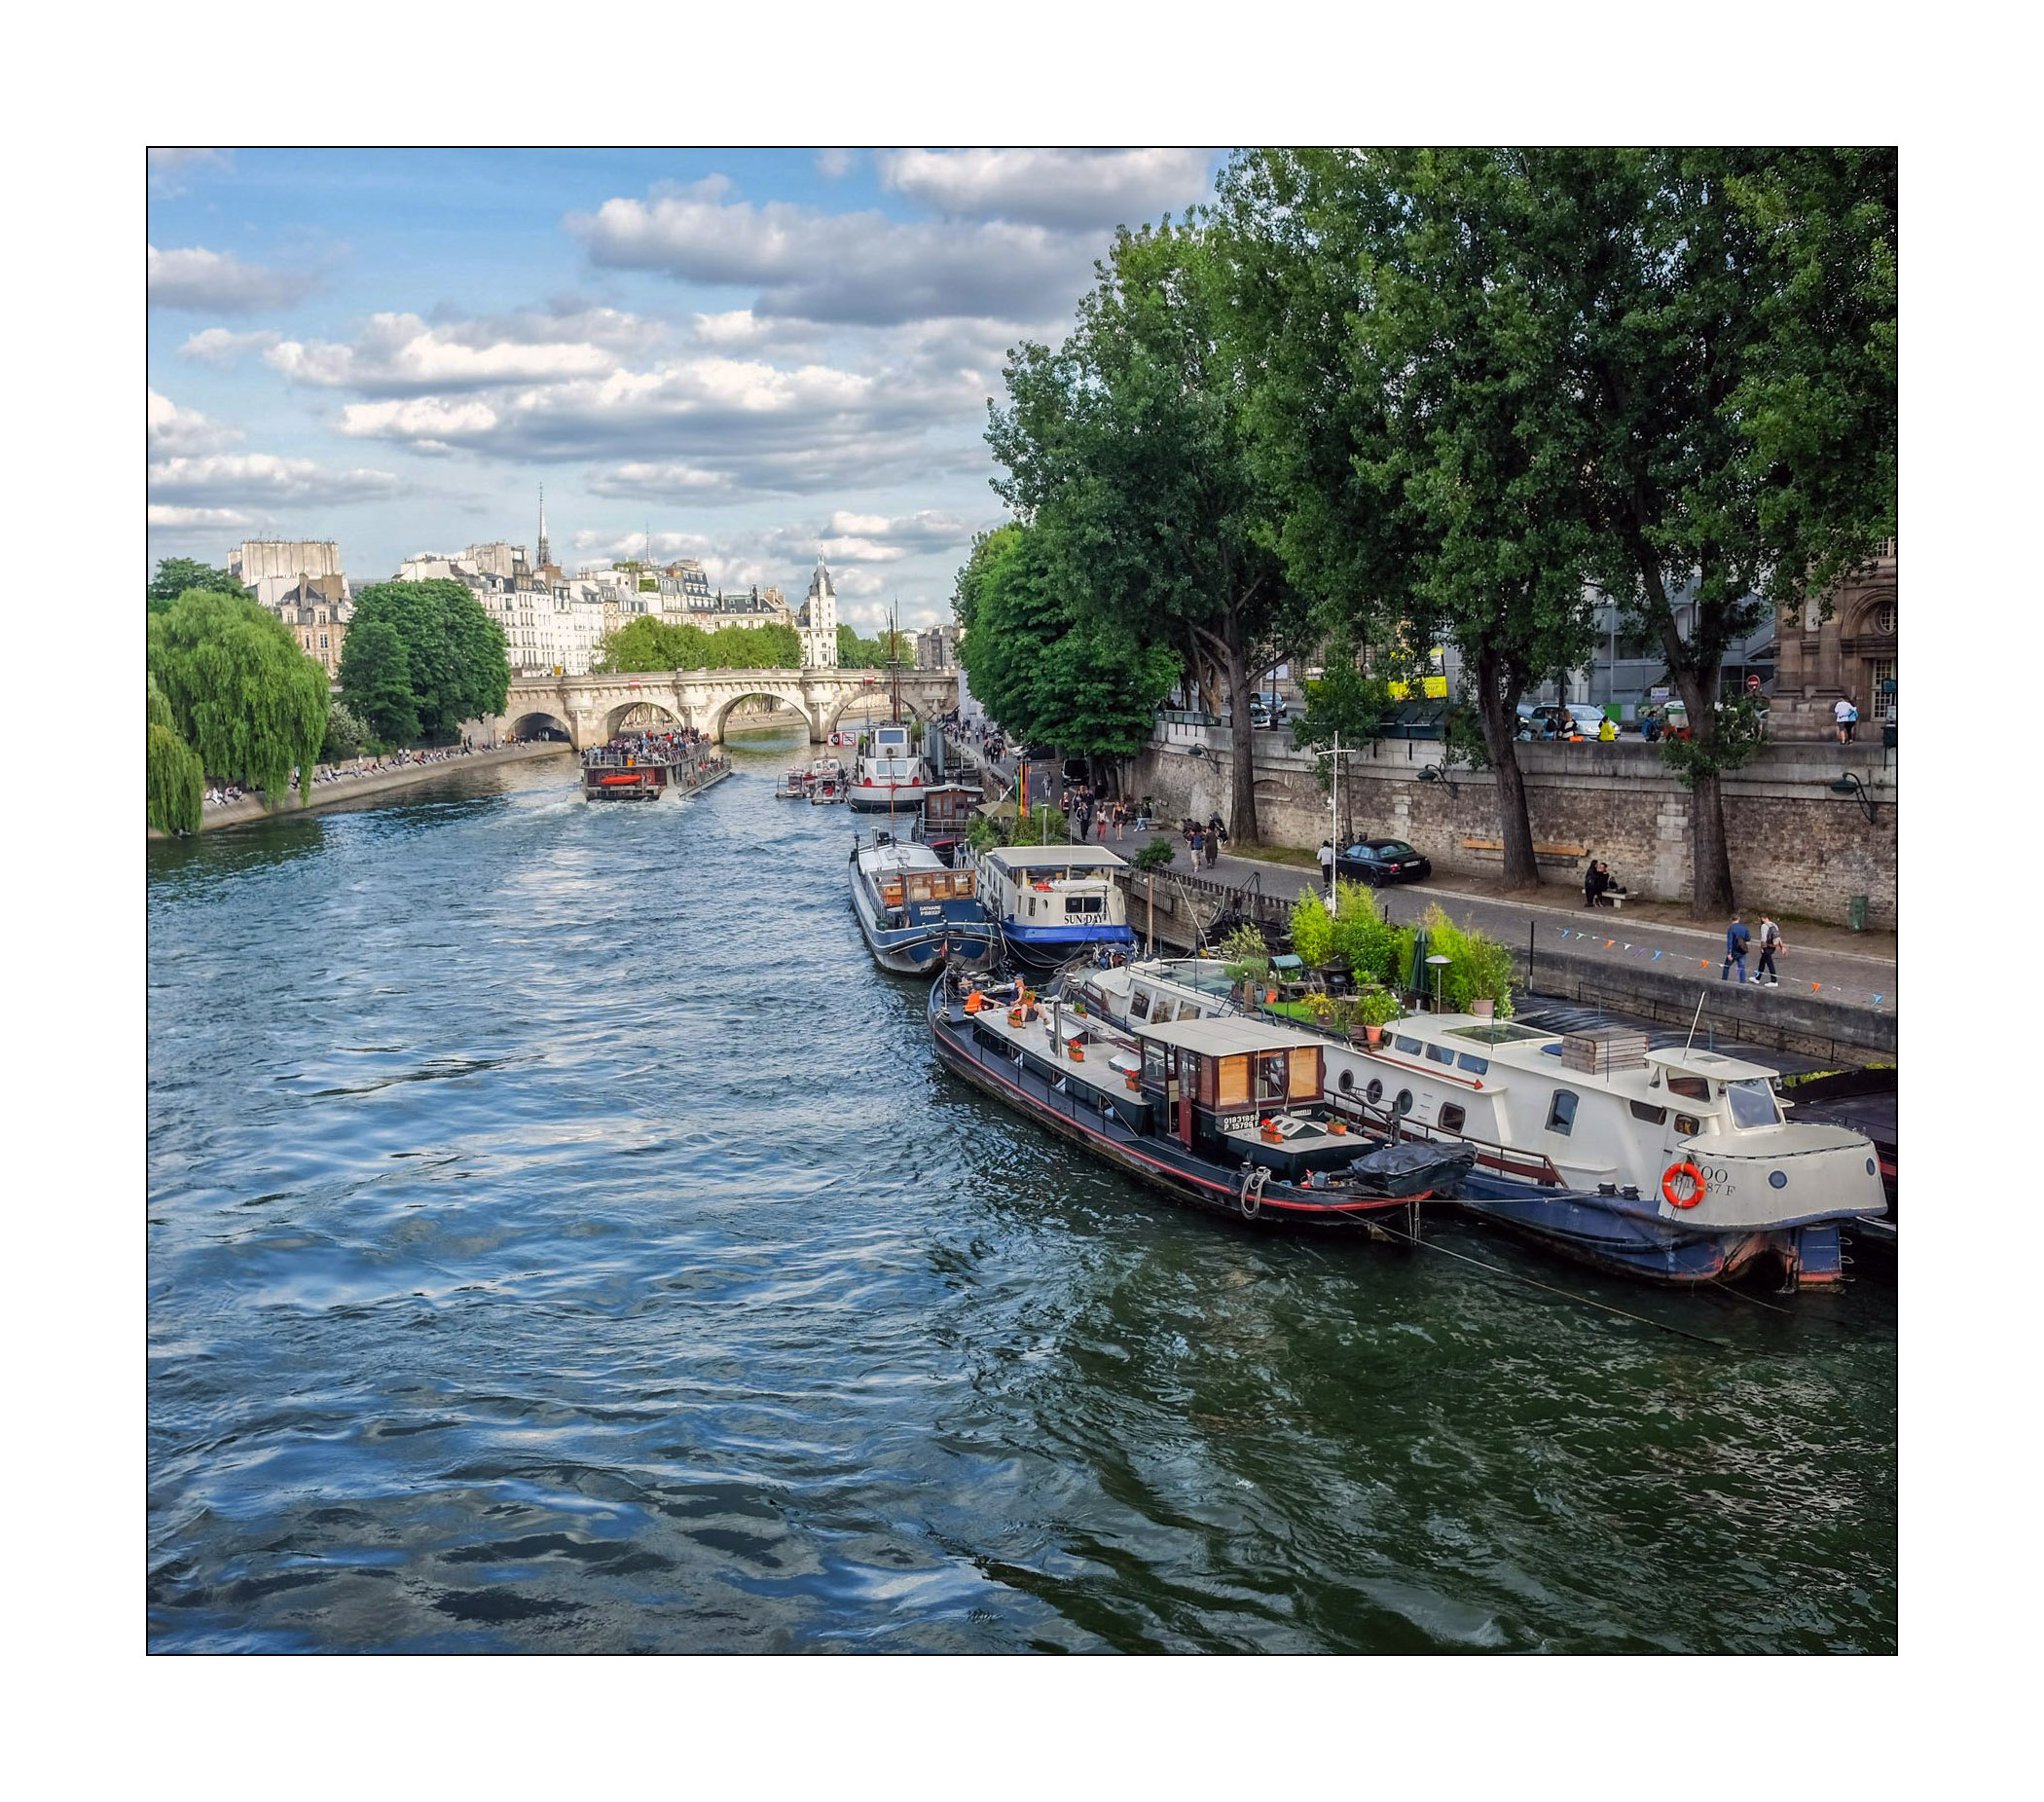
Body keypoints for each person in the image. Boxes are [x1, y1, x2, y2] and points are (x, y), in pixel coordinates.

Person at [1722, 913, 1751, 983]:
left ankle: (1724, 981)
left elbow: (1729, 942)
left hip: (1734, 951)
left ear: (1731, 919)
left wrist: (1729, 953)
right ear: (1739, 919)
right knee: (1741, 967)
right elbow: (1748, 938)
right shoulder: (1744, 927)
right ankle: (1742, 982)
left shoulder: (1731, 929)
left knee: (1726, 966)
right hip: (1742, 950)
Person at [1756, 913, 1784, 986]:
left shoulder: (1764, 926)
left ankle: (1774, 981)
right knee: (1762, 962)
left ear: (1762, 918)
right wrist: (1782, 947)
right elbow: (1778, 936)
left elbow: (1763, 939)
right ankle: (1757, 978)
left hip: (1767, 947)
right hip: (1773, 947)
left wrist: (1762, 948)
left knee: (1770, 963)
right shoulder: (1774, 924)